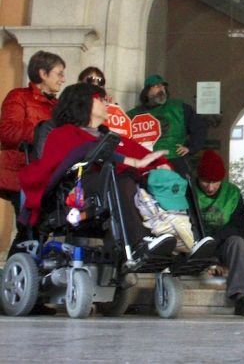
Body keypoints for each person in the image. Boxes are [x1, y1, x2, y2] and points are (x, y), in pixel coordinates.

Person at [19, 83, 177, 262]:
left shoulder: (109, 137)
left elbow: (143, 155)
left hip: (109, 188)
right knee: (120, 180)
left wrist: (161, 166)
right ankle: (138, 244)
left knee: (168, 179)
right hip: (77, 193)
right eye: (100, 99)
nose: (107, 102)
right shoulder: (63, 134)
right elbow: (55, 169)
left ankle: (183, 241)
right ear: (84, 103)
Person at [1, 50, 65, 260]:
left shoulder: (57, 106)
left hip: (48, 175)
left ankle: (25, 278)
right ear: (42, 73)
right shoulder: (19, 96)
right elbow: (8, 132)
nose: (62, 79)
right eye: (58, 73)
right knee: (30, 228)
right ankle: (17, 279)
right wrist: (43, 134)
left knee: (38, 229)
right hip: (22, 170)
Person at [195, 149, 244, 316]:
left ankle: (243, 298)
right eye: (205, 181)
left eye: (215, 182)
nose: (210, 187)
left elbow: (237, 226)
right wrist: (209, 261)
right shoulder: (189, 191)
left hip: (221, 243)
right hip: (195, 246)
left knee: (237, 241)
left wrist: (216, 246)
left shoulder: (232, 193)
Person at [126, 74, 207, 177]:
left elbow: (199, 127)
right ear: (147, 91)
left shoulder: (179, 108)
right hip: (146, 163)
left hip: (175, 160)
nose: (161, 89)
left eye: (163, 86)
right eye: (156, 86)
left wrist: (191, 147)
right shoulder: (132, 115)